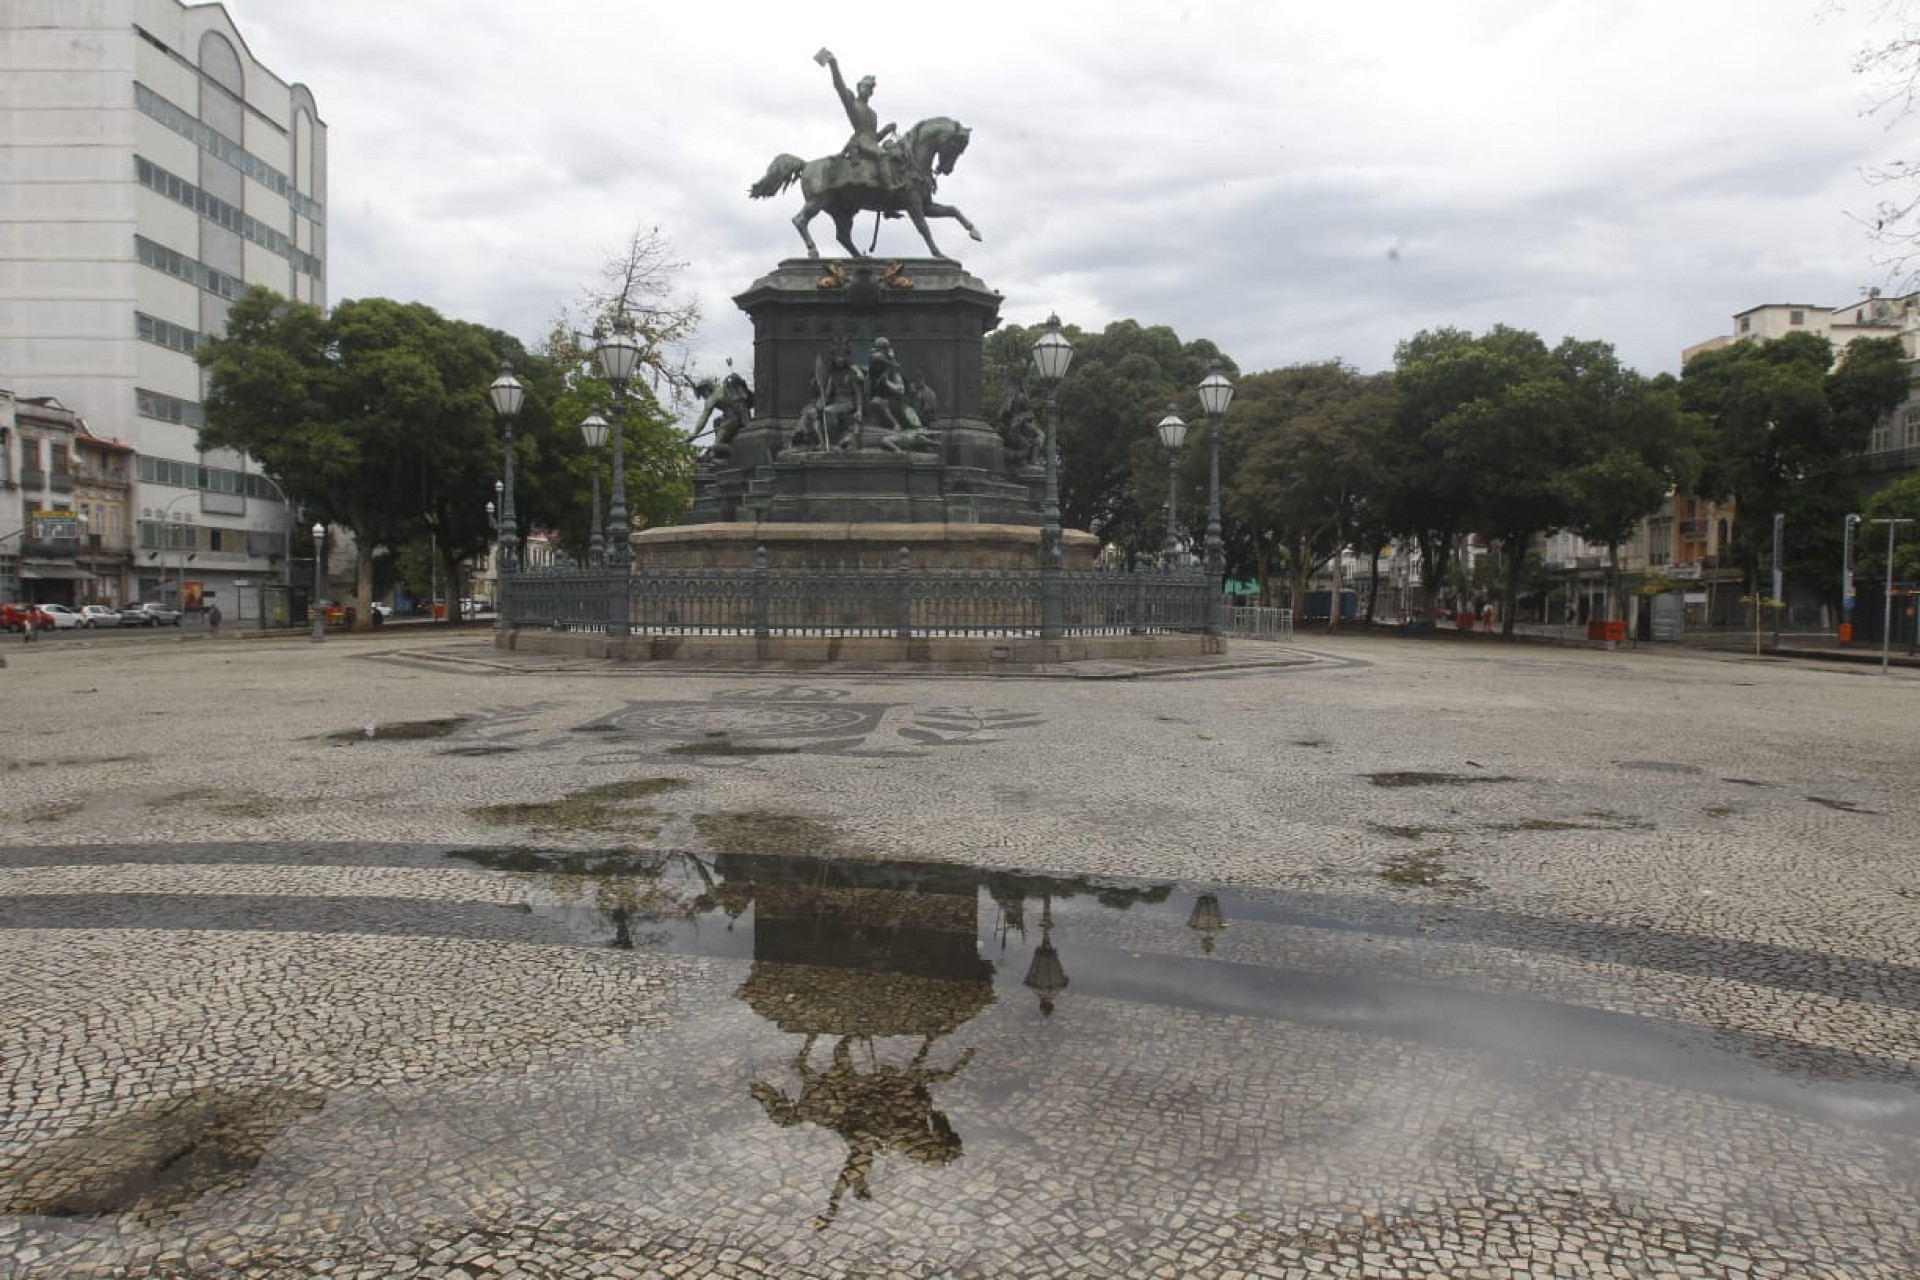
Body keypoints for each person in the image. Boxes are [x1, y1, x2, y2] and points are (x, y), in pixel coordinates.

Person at [818, 49, 899, 188]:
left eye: (869, 89)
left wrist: (886, 130)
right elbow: (839, 86)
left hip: (869, 143)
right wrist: (833, 64)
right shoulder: (852, 103)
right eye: (864, 87)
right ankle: (889, 186)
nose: (866, 90)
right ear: (858, 88)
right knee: (883, 155)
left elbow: (874, 138)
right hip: (860, 142)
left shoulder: (873, 114)